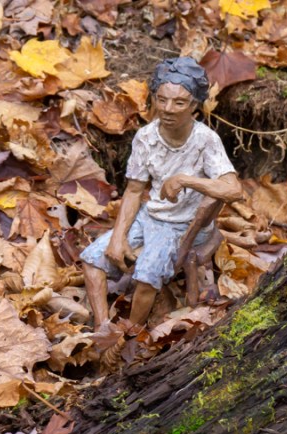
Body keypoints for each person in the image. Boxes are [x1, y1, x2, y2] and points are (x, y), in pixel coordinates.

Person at [81, 57, 243, 332]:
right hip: (151, 215)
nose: (168, 109)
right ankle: (103, 328)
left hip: (184, 225)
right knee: (91, 261)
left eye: (179, 103)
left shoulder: (205, 140)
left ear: (194, 106)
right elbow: (134, 190)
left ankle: (129, 332)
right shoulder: (146, 137)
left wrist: (185, 180)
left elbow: (234, 189)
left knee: (147, 276)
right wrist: (118, 237)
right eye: (161, 99)